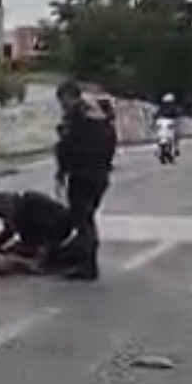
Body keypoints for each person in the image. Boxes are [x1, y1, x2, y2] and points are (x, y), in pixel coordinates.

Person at [54, 80, 116, 280]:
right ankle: (84, 260)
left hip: (82, 173)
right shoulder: (98, 115)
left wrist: (62, 170)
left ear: (69, 97)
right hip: (100, 173)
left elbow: (67, 146)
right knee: (86, 217)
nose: (61, 105)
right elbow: (110, 141)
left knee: (82, 219)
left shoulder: (75, 116)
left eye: (62, 100)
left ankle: (87, 266)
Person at [0, 190, 74, 271]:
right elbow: (8, 232)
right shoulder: (15, 210)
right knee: (12, 250)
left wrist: (44, 250)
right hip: (43, 236)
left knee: (17, 253)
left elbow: (52, 226)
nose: (2, 217)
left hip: (56, 232)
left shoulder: (29, 204)